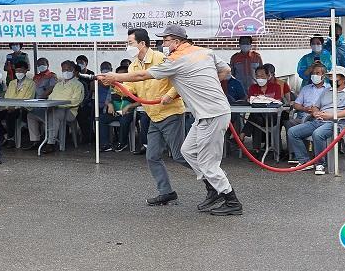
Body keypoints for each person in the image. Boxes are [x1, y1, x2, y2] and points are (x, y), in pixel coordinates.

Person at [100, 25, 243, 216]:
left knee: (207, 163)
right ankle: (213, 187)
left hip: (211, 114)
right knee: (187, 151)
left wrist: (115, 76)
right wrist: (202, 82)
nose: (163, 44)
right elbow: (225, 71)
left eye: (166, 40)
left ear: (176, 41)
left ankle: (231, 200)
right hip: (202, 114)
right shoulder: (205, 52)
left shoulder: (175, 59)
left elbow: (143, 75)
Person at [122, 28, 190, 205]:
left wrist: (171, 94)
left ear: (142, 43)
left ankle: (215, 181)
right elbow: (130, 89)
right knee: (152, 156)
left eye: (130, 43)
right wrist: (115, 84)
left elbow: (179, 78)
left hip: (171, 113)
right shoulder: (133, 66)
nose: (127, 46)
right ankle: (166, 192)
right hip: (154, 116)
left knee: (180, 156)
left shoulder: (161, 58)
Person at [287, 66, 345, 175]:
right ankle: (304, 161)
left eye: (335, 78)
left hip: (335, 123)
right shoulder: (326, 91)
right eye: (330, 77)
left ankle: (320, 163)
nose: (332, 80)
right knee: (292, 132)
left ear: (343, 79)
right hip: (319, 120)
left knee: (318, 134)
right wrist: (316, 112)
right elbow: (316, 106)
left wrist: (331, 115)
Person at [26, 60, 84, 152]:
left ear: (73, 70)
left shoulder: (78, 85)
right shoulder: (58, 84)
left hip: (68, 112)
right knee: (31, 115)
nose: (66, 72)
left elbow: (76, 101)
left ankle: (50, 143)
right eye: (64, 70)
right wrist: (50, 105)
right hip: (52, 109)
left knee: (55, 114)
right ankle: (35, 141)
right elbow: (51, 98)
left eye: (68, 69)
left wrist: (59, 105)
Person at [239, 65, 283, 159]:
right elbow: (250, 101)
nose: (260, 78)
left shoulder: (276, 87)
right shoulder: (253, 87)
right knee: (256, 120)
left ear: (268, 76)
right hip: (258, 117)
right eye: (257, 76)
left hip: (271, 118)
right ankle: (256, 150)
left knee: (254, 117)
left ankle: (243, 134)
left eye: (262, 76)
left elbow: (278, 101)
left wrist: (261, 100)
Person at [98, 66, 138, 152]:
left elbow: (140, 101)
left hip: (128, 113)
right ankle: (105, 144)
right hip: (116, 113)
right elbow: (107, 100)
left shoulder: (134, 86)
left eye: (122, 75)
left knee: (124, 121)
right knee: (101, 118)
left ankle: (122, 143)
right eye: (118, 75)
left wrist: (129, 106)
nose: (120, 78)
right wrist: (110, 104)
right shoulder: (113, 86)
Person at [0, 61, 36, 148]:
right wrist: (8, 107)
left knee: (10, 115)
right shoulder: (12, 83)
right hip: (9, 107)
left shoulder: (31, 83)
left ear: (25, 71)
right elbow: (7, 96)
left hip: (23, 108)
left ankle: (11, 139)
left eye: (21, 71)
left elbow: (28, 98)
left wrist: (15, 107)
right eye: (17, 71)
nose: (18, 73)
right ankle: (4, 135)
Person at [76, 54, 95, 141]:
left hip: (87, 100)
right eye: (78, 62)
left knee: (83, 112)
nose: (79, 64)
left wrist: (85, 101)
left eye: (81, 62)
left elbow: (91, 90)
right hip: (76, 98)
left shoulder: (91, 74)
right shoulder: (76, 74)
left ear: (86, 63)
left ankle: (89, 136)